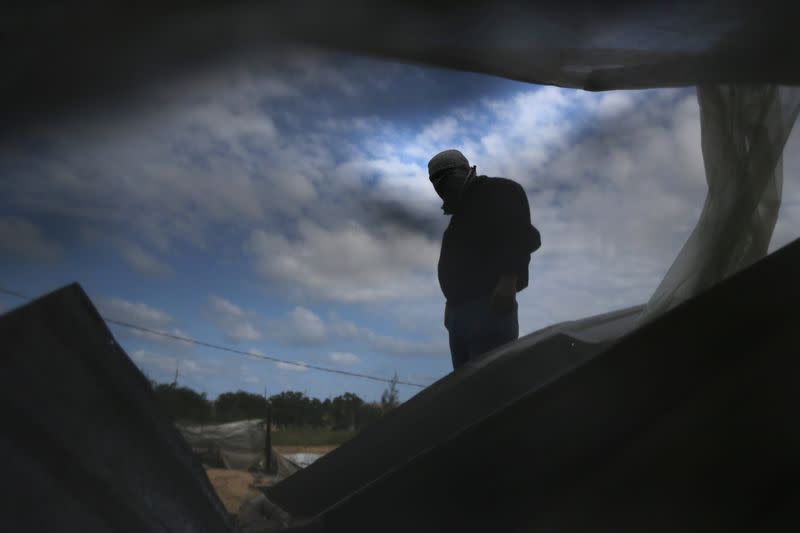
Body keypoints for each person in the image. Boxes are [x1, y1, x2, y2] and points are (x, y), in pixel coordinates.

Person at [429, 149, 541, 370]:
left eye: (445, 179)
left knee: (491, 382)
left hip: (490, 306)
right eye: (435, 184)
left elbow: (520, 234)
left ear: (463, 171)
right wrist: (450, 304)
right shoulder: (458, 217)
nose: (441, 189)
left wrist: (509, 279)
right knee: (466, 388)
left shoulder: (500, 190)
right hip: (458, 315)